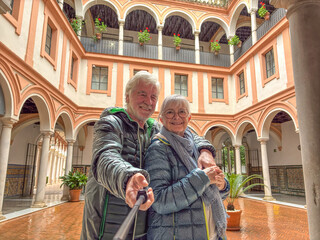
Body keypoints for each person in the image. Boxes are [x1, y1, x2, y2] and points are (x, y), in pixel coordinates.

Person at [81, 72, 218, 240]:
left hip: (142, 228)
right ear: (127, 96)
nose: (149, 101)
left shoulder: (154, 129)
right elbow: (105, 157)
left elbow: (185, 131)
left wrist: (205, 150)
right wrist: (128, 178)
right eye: (142, 94)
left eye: (153, 97)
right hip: (106, 226)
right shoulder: (110, 123)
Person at [144, 94, 230, 240]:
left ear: (189, 118)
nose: (176, 117)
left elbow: (210, 193)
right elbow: (159, 201)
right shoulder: (158, 148)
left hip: (212, 233)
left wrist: (222, 186)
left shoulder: (197, 147)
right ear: (161, 120)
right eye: (170, 112)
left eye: (182, 112)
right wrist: (203, 178)